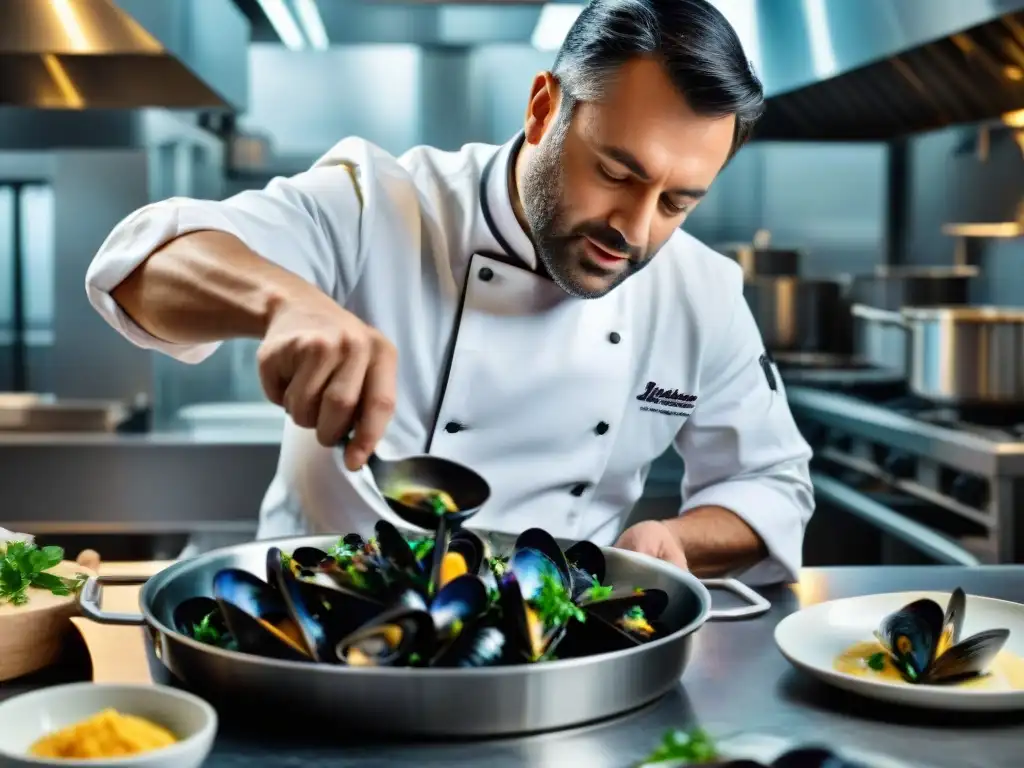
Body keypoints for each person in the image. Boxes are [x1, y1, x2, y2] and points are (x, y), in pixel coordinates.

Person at [84, 0, 814, 585]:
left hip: (555, 655)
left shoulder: (700, 292)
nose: (634, 228)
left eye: (676, 203)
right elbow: (143, 263)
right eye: (618, 174)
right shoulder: (378, 205)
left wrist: (674, 538)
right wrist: (286, 302)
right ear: (542, 110)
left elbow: (773, 487)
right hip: (321, 640)